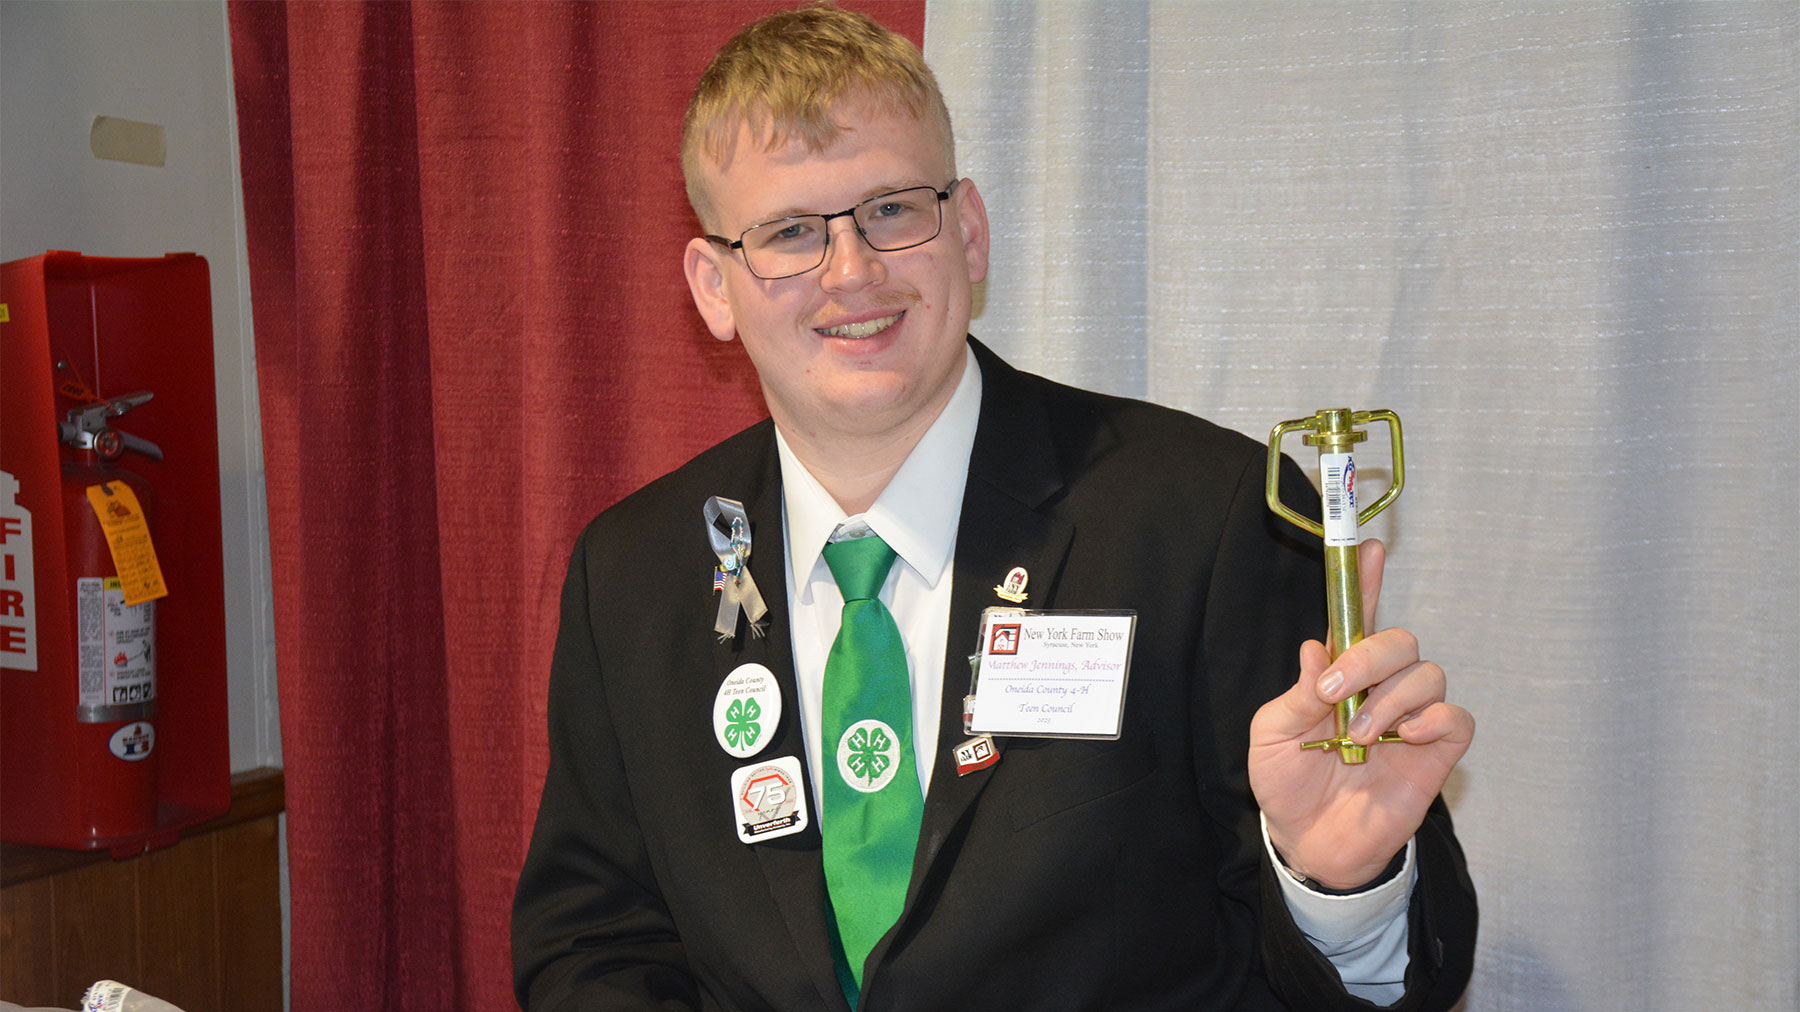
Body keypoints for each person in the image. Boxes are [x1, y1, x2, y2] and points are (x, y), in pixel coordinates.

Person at [512, 5, 1476, 1011]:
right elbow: (592, 937)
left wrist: (1335, 887)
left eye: (891, 210)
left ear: (968, 233)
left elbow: (1383, 971)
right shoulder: (634, 573)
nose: (852, 272)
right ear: (715, 286)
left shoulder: (1207, 517)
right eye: (791, 232)